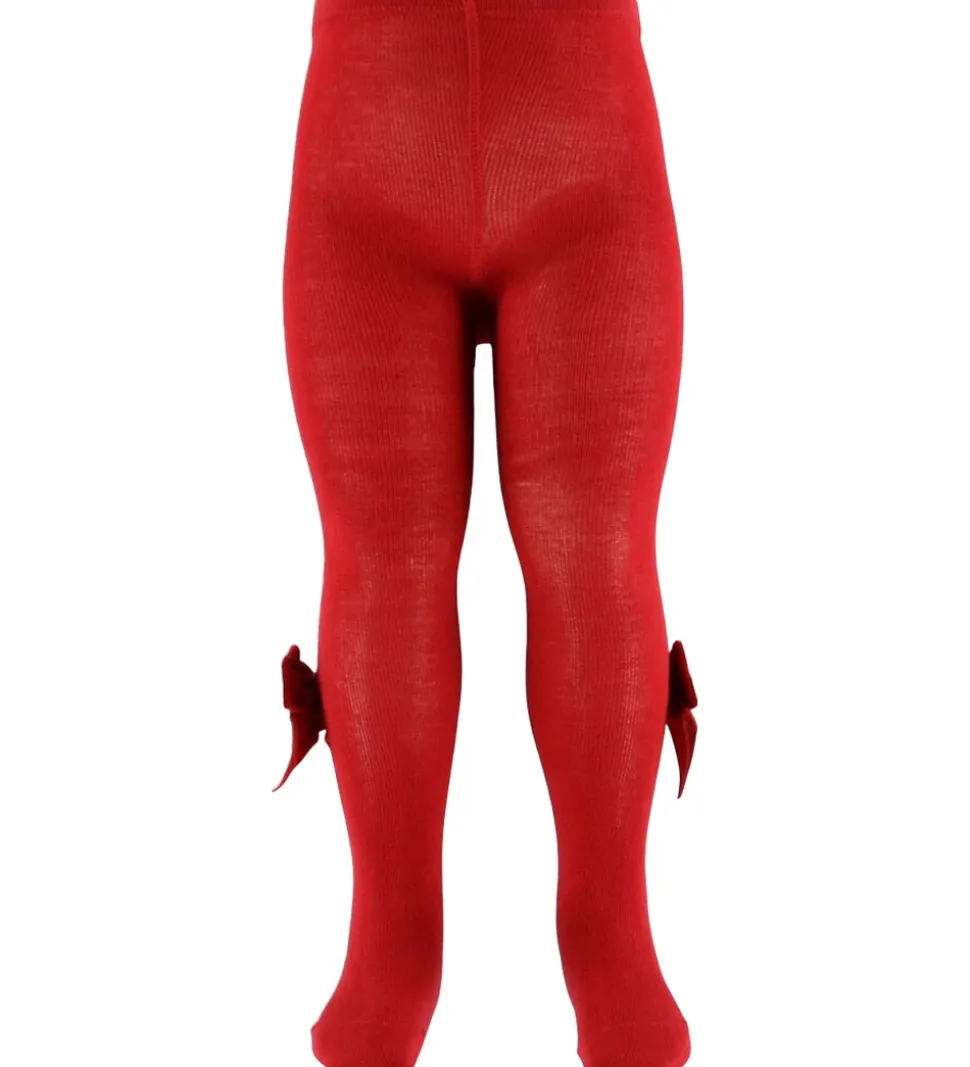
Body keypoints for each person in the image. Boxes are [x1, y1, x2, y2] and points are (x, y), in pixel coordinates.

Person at [273, 0, 700, 1062]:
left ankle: (607, 927)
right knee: (381, 560)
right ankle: (394, 935)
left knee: (595, 552)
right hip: (369, 152)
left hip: (583, 152)